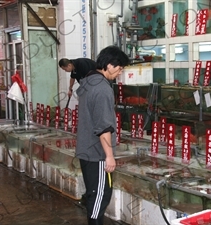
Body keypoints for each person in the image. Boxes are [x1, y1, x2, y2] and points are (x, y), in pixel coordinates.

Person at [75, 45, 129, 225]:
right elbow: (104, 126)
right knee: (100, 195)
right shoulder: (102, 88)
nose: (119, 73)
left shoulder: (89, 80)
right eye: (119, 68)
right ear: (110, 65)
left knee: (94, 193)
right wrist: (109, 156)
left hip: (86, 148)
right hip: (97, 153)